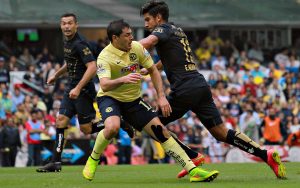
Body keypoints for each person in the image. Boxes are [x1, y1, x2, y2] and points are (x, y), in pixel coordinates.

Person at [139, 0, 286, 179]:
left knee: (152, 126)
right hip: (199, 85)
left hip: (185, 88)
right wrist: (150, 69)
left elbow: (147, 43)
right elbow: (171, 59)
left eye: (148, 19)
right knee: (221, 132)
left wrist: (123, 49)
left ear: (158, 18)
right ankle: (266, 155)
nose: (145, 24)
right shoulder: (177, 30)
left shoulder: (162, 30)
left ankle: (193, 157)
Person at [82, 19, 219, 183]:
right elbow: (104, 85)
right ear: (115, 38)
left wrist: (161, 97)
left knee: (161, 131)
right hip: (110, 98)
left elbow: (153, 70)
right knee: (112, 128)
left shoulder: (137, 48)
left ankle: (193, 171)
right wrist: (123, 79)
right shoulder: (104, 57)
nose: (131, 38)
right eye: (127, 35)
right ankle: (93, 159)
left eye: (132, 33)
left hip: (133, 101)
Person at [36, 13, 106, 172]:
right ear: (61, 26)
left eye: (69, 23)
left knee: (86, 129)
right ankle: (55, 162)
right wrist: (56, 75)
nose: (66, 26)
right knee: (60, 121)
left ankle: (117, 121)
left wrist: (78, 88)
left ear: (76, 25)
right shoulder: (66, 41)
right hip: (71, 87)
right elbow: (70, 62)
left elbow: (92, 67)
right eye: (63, 23)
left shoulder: (80, 44)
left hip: (83, 90)